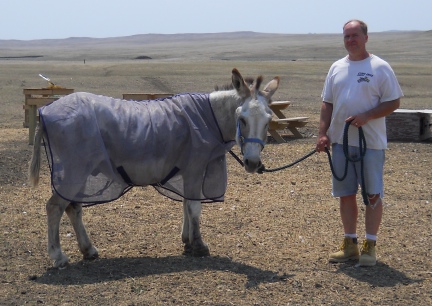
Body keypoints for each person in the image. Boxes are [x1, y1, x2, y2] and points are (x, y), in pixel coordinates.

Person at [315, 19, 403, 266]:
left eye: (355, 35)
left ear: (366, 37)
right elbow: (327, 103)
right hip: (341, 143)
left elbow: (393, 102)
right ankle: (350, 243)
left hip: (371, 144)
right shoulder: (336, 68)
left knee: (373, 194)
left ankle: (370, 245)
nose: (350, 40)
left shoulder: (380, 67)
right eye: (346, 36)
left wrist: (367, 116)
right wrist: (323, 134)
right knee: (346, 194)